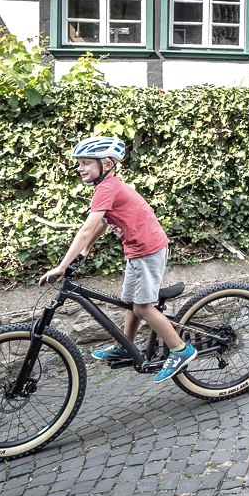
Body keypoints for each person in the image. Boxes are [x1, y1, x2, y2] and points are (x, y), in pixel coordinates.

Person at [41, 135, 198, 382]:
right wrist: (86, 250)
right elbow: (104, 222)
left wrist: (62, 266)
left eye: (86, 163)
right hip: (138, 251)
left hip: (148, 250)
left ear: (107, 164)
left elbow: (86, 228)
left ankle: (180, 349)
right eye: (79, 163)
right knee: (130, 302)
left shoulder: (107, 188)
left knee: (143, 307)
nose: (80, 168)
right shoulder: (108, 187)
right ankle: (127, 346)